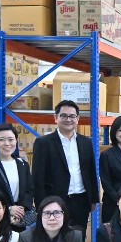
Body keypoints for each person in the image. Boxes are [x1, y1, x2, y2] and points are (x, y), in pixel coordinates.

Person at [31, 100, 99, 234]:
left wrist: (93, 199)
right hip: (55, 201)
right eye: (64, 116)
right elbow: (38, 177)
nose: (68, 119)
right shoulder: (43, 143)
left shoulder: (85, 142)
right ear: (56, 118)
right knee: (55, 238)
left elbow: (91, 172)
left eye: (72, 116)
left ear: (77, 119)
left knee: (78, 237)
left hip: (81, 200)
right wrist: (41, 205)